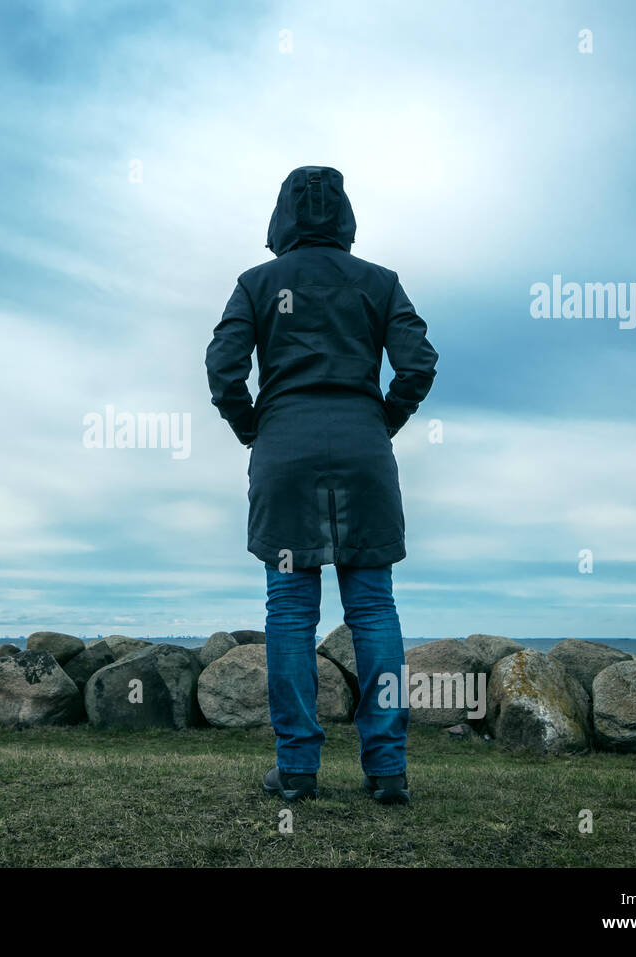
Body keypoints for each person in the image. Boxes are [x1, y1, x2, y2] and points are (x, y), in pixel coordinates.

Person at [205, 166, 438, 805]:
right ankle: (387, 770)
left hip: (284, 452)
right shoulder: (379, 283)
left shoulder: (256, 284)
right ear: (344, 215)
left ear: (283, 214)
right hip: (365, 450)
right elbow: (419, 362)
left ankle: (298, 768)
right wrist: (384, 416)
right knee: (373, 608)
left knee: (289, 612)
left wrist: (253, 426)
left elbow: (223, 367)